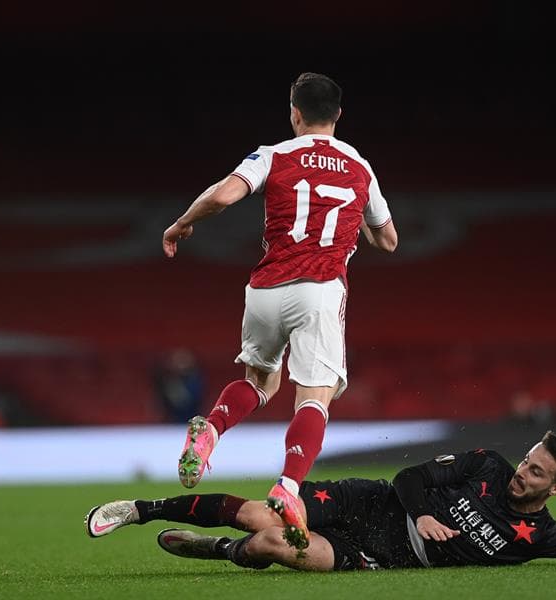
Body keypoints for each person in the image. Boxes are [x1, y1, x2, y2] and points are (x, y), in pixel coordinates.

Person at [160, 72, 398, 550]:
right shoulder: (359, 166)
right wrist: (364, 228)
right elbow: (389, 239)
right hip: (320, 290)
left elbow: (224, 195)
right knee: (314, 397)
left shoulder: (273, 155)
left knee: (258, 381)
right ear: (339, 115)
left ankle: (211, 429)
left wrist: (182, 223)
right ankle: (288, 488)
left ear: (294, 112)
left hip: (266, 287)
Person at [84, 431, 556, 571]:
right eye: (527, 460)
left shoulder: (539, 537)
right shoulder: (485, 465)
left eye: (536, 473)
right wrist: (424, 511)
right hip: (371, 504)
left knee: (272, 543)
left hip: (381, 556)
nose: (522, 473)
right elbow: (409, 478)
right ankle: (144, 509)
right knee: (262, 515)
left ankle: (216, 550)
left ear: (555, 490)